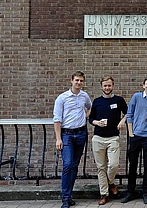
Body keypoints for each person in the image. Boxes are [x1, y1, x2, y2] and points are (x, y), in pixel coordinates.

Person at [53, 71, 92, 208]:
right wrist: (58, 139)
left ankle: (69, 195)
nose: (79, 83)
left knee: (75, 165)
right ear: (71, 81)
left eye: (81, 81)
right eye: (77, 80)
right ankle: (65, 196)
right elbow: (57, 119)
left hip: (81, 133)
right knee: (67, 164)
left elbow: (90, 107)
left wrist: (85, 116)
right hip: (67, 134)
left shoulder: (84, 96)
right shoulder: (62, 98)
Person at [121, 76, 147, 205]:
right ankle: (130, 191)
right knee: (132, 165)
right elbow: (129, 114)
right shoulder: (136, 97)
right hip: (135, 136)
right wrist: (131, 133)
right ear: (143, 86)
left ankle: (146, 192)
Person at [88, 76, 128, 205]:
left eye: (109, 85)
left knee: (113, 165)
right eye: (105, 86)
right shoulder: (97, 101)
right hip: (98, 137)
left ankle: (110, 182)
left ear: (113, 86)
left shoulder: (119, 100)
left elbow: (128, 113)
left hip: (113, 137)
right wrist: (96, 123)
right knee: (101, 167)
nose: (107, 88)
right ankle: (104, 194)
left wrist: (122, 120)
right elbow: (90, 118)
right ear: (101, 86)